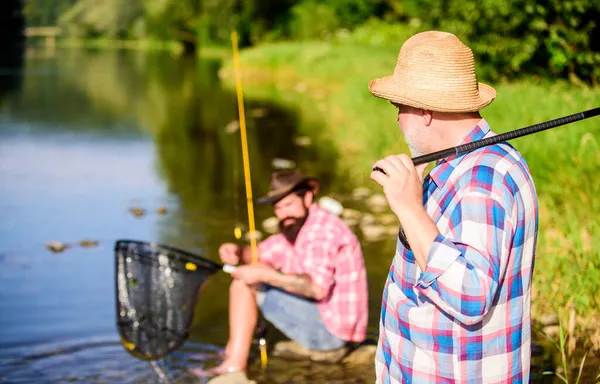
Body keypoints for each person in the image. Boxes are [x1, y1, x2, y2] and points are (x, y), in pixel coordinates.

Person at [367, 31, 539, 383]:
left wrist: (409, 208)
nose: (397, 118)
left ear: (426, 112)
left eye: (399, 106)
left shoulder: (482, 179)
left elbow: (470, 294)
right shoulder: (461, 166)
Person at [191, 169, 369, 378]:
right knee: (253, 273)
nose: (284, 214)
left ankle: (234, 365)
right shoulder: (297, 227)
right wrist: (238, 252)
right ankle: (231, 352)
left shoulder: (322, 231)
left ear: (308, 198)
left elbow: (317, 288)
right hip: (328, 324)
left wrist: (265, 275)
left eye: (288, 205)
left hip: (332, 333)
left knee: (244, 283)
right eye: (278, 208)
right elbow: (265, 252)